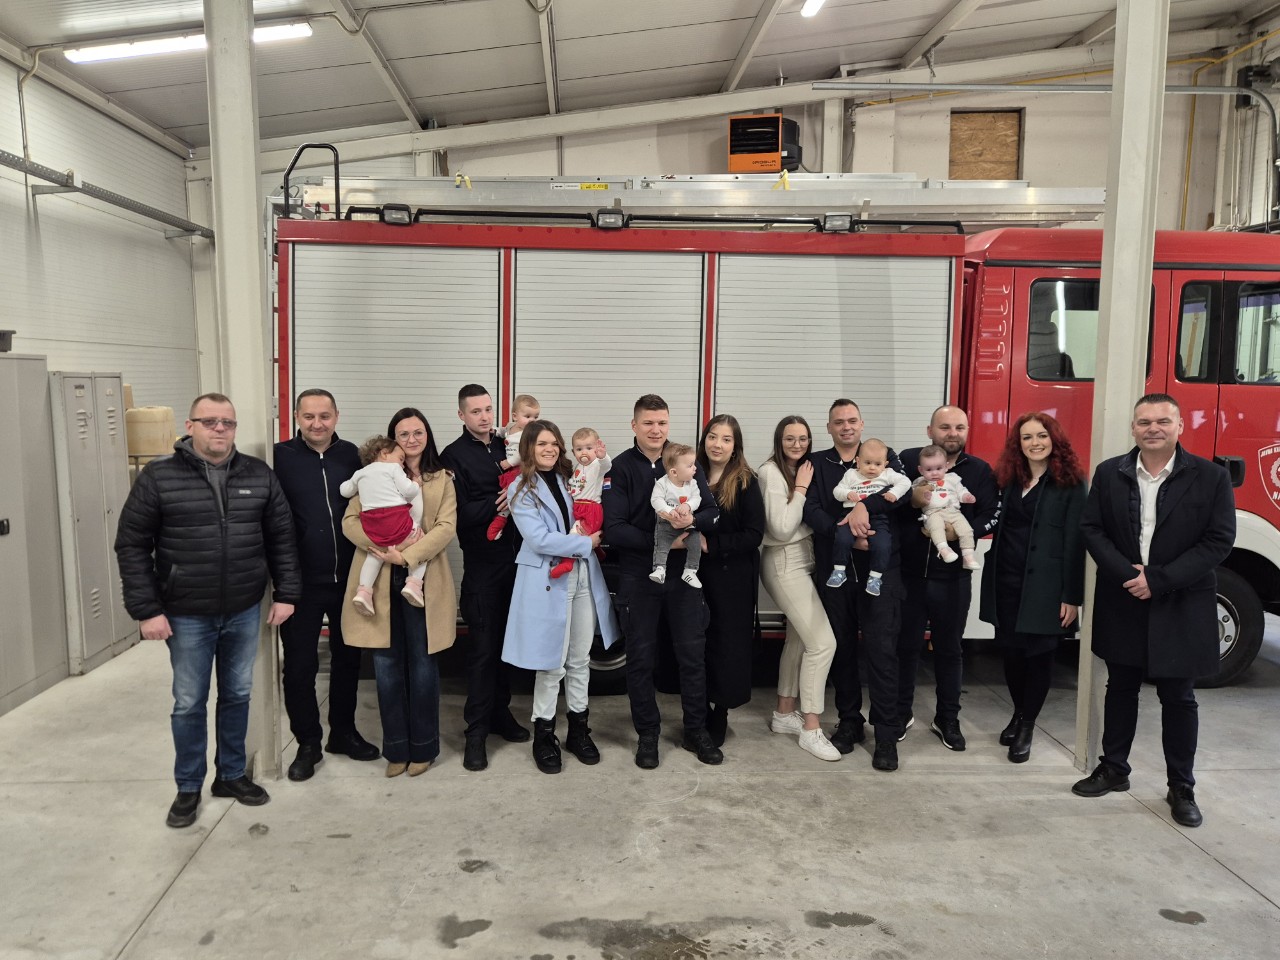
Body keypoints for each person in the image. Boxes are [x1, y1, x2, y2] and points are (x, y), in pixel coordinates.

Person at [115, 393, 301, 828]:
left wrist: (287, 593)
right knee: (188, 702)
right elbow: (132, 545)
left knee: (237, 695)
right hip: (185, 613)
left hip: (243, 608)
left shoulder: (258, 474)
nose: (220, 429)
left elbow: (281, 538)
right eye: (210, 421)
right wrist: (147, 610)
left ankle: (231, 775)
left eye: (227, 423)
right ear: (190, 426)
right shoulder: (158, 477)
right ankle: (187, 786)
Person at [1072, 393, 1235, 828]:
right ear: (1133, 428)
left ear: (1180, 426)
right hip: (1124, 596)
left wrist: (1158, 579)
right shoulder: (1110, 473)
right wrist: (1130, 575)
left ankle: (1181, 786)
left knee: (1178, 697)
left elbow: (1218, 541)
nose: (1153, 428)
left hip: (1181, 600)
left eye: (1163, 421)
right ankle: (1114, 768)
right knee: (1120, 687)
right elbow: (1092, 528)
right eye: (1144, 422)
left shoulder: (1211, 477)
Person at [602, 394, 722, 769]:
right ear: (634, 425)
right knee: (640, 658)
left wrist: (693, 524)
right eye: (649, 423)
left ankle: (696, 730)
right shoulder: (620, 468)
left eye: (662, 423)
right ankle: (648, 734)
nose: (656, 430)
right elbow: (614, 529)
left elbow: (711, 511)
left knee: (692, 655)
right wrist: (663, 542)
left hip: (683, 577)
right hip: (640, 575)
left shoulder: (685, 461)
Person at [341, 408, 457, 778]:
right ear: (393, 440)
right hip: (378, 580)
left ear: (427, 436)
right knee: (386, 665)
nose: (411, 440)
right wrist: (381, 547)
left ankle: (423, 748)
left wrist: (405, 556)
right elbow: (350, 521)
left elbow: (446, 526)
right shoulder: (374, 473)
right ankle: (396, 748)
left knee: (423, 665)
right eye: (403, 434)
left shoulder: (441, 479)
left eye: (418, 432)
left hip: (422, 579)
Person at [501, 421, 619, 774]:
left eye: (554, 443)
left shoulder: (568, 479)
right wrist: (586, 542)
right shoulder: (520, 488)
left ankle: (579, 732)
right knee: (551, 663)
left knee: (580, 659)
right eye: (542, 443)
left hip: (581, 576)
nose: (550, 448)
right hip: (550, 580)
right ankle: (544, 736)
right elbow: (538, 539)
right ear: (528, 448)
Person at [273, 388, 378, 783]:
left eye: (324, 416)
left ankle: (343, 733)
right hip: (299, 583)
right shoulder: (279, 458)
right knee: (300, 667)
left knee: (348, 660)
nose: (317, 424)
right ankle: (308, 743)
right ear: (296, 417)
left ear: (337, 416)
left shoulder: (353, 456)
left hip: (350, 580)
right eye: (309, 416)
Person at [802, 399, 907, 763]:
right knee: (842, 649)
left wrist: (865, 507)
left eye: (851, 420)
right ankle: (849, 722)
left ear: (862, 424)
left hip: (882, 570)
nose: (846, 426)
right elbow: (810, 509)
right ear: (829, 428)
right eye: (838, 422)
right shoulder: (817, 463)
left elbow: (900, 496)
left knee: (882, 650)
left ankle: (886, 734)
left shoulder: (886, 456)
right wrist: (843, 530)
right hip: (837, 570)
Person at [978, 413, 1087, 763]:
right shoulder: (1009, 479)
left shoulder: (1071, 483)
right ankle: (1018, 712)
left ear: (1054, 439)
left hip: (1046, 587)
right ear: (1018, 444)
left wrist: (1072, 596)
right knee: (1011, 654)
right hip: (1006, 581)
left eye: (1041, 435)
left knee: (1039, 656)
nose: (1035, 443)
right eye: (1027, 437)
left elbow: (1075, 542)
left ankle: (1027, 726)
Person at [896, 405, 1000, 752]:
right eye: (944, 427)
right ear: (930, 431)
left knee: (950, 650)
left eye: (959, 427)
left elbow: (992, 513)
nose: (952, 433)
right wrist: (912, 502)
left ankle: (947, 718)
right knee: (905, 647)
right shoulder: (907, 460)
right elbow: (888, 503)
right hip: (909, 575)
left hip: (953, 577)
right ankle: (900, 712)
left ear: (967, 431)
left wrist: (963, 534)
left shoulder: (979, 470)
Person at [440, 385, 529, 771]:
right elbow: (455, 513)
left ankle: (499, 715)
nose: (484, 417)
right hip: (482, 568)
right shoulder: (452, 456)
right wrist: (497, 503)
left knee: (507, 649)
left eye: (488, 409)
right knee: (482, 652)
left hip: (519, 565)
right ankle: (475, 732)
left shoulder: (509, 445)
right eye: (475, 411)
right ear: (462, 415)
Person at [759, 416, 841, 763]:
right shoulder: (771, 472)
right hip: (784, 561)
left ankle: (783, 713)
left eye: (803, 438)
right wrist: (802, 490)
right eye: (790, 438)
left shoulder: (803, 469)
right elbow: (780, 528)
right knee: (823, 644)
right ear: (779, 441)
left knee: (799, 640)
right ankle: (811, 727)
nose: (797, 445)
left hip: (804, 560)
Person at [696, 414, 764, 746]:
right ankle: (697, 709)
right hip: (695, 575)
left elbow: (754, 534)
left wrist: (713, 545)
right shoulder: (690, 473)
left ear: (735, 446)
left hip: (732, 578)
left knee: (727, 646)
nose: (718, 445)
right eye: (713, 436)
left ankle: (719, 713)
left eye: (726, 439)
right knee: (698, 644)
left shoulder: (746, 481)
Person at [340, 436, 427, 614]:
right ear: (385, 454)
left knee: (374, 555)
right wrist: (416, 484)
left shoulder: (360, 473)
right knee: (420, 542)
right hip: (396, 520)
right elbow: (408, 491)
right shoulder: (393, 468)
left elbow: (345, 491)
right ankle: (414, 584)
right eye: (401, 458)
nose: (403, 464)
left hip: (372, 525)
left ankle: (364, 591)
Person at [827, 437, 911, 595]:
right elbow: (837, 491)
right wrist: (847, 493)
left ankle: (875, 577)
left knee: (883, 544)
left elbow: (906, 483)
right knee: (842, 538)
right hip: (849, 515)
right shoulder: (851, 474)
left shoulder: (887, 474)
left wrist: (894, 493)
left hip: (878, 516)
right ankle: (839, 570)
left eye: (878, 464)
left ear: (885, 464)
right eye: (867, 463)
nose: (872, 468)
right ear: (858, 461)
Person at [550, 427, 610, 579]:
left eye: (589, 448)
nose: (584, 453)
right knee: (584, 533)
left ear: (596, 448)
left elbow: (606, 466)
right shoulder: (578, 467)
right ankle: (599, 552)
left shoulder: (596, 464)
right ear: (573, 451)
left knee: (576, 533)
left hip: (590, 508)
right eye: (579, 449)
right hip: (579, 507)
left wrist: (603, 457)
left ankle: (567, 562)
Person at [913, 445, 980, 569]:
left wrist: (966, 497)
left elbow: (961, 491)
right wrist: (921, 495)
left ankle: (968, 557)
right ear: (921, 470)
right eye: (929, 469)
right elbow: (914, 497)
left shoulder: (952, 479)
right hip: (932, 513)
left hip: (953, 511)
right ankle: (944, 550)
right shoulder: (920, 482)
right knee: (936, 527)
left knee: (966, 530)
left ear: (946, 466)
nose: (934, 473)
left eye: (939, 468)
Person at [486, 394, 541, 541]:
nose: (532, 420)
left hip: (520, 468)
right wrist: (495, 431)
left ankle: (501, 519)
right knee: (508, 493)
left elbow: (524, 453)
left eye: (536, 417)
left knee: (512, 494)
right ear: (515, 416)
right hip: (512, 470)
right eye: (528, 416)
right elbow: (504, 432)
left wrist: (510, 462)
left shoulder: (529, 434)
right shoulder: (511, 427)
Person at [650, 443, 703, 588]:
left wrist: (688, 505)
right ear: (674, 472)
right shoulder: (662, 484)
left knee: (695, 543)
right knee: (661, 544)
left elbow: (697, 498)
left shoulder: (692, 483)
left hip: (687, 523)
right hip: (666, 523)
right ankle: (659, 569)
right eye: (690, 465)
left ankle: (690, 570)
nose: (695, 468)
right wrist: (668, 510)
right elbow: (656, 500)